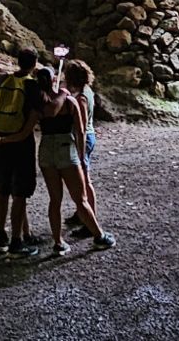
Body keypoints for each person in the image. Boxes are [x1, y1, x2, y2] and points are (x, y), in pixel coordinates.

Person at [34, 67, 115, 253]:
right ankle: (99, 236)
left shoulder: (39, 104)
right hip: (66, 149)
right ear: (54, 80)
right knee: (80, 199)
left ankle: (58, 242)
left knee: (55, 200)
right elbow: (80, 131)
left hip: (45, 149)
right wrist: (80, 155)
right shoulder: (70, 101)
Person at [0, 48, 42, 255]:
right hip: (21, 144)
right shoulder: (32, 85)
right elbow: (35, 117)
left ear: (18, 61)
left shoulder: (1, 80)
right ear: (34, 64)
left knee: (1, 190)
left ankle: (0, 236)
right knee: (20, 193)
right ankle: (16, 241)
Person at [61, 59, 101, 234]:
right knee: (82, 180)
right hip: (87, 137)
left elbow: (81, 128)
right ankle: (81, 214)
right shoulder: (87, 90)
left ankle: (90, 221)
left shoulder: (82, 98)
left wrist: (81, 151)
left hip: (84, 139)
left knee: (85, 180)